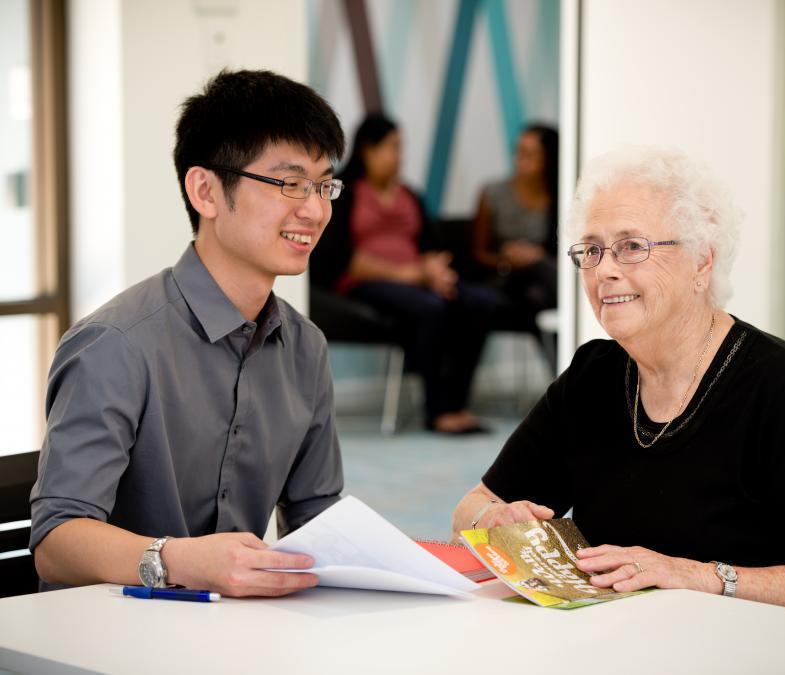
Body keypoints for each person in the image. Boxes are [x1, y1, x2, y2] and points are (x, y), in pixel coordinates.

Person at [452, 147, 785, 620]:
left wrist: (697, 576)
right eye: (591, 249)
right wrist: (491, 520)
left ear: (701, 262)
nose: (604, 270)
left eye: (632, 246)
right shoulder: (593, 376)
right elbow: (471, 509)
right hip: (617, 642)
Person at [30, 70, 346, 598]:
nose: (313, 209)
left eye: (323, 184)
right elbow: (56, 542)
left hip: (234, 631)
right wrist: (176, 559)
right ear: (205, 191)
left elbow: (318, 519)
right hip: (105, 634)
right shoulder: (117, 343)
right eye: (289, 183)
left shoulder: (305, 347)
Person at [312, 113, 496, 434]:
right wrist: (407, 274)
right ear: (369, 149)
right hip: (365, 283)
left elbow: (432, 244)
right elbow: (340, 257)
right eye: (393, 147)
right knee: (430, 308)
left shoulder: (409, 194)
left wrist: (437, 272)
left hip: (419, 280)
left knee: (480, 302)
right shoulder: (346, 193)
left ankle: (457, 402)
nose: (400, 156)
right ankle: (437, 410)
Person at [471, 124, 559, 328]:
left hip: (541, 281)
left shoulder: (560, 196)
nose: (521, 160)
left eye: (531, 155)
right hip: (505, 276)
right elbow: (477, 254)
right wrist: (507, 261)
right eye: (519, 152)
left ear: (549, 159)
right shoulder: (493, 194)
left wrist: (538, 255)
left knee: (536, 292)